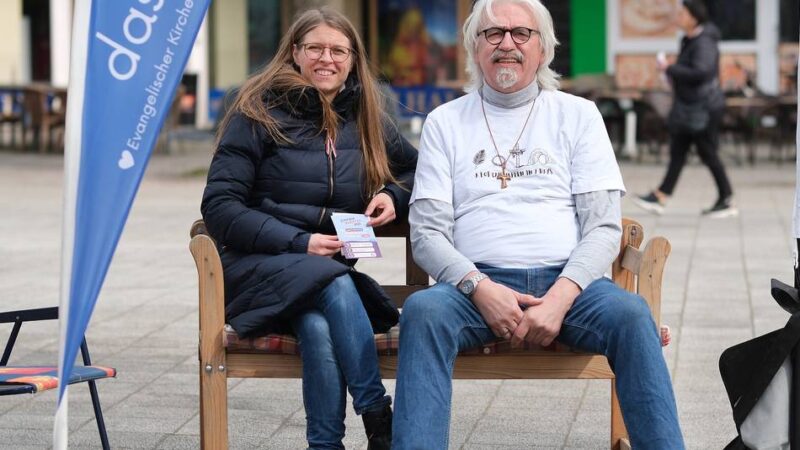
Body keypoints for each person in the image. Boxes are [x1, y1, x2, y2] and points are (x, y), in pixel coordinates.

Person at [391, 0, 684, 448]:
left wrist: (560, 298)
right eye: (493, 34)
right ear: (474, 47)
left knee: (630, 314)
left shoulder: (578, 116)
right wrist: (479, 288)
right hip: (473, 289)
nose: (507, 43)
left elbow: (603, 227)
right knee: (423, 312)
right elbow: (427, 233)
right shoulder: (444, 122)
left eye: (521, 34)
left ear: (544, 49)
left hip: (568, 284)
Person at [200, 8, 417, 450]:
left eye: (339, 50)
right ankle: (378, 414)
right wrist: (299, 242)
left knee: (318, 325)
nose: (327, 59)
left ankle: (324, 444)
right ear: (295, 53)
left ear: (353, 59)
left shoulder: (367, 114)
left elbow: (421, 170)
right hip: (257, 267)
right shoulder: (256, 111)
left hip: (320, 278)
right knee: (337, 286)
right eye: (315, 48)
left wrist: (393, 195)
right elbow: (219, 206)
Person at [634, 0, 736, 218]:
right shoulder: (689, 40)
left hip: (703, 108)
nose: (678, 17)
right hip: (689, 107)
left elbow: (701, 72)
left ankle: (725, 197)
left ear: (693, 17)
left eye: (682, 13)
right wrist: (672, 70)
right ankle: (661, 195)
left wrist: (670, 68)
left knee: (706, 152)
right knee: (679, 151)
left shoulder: (704, 41)